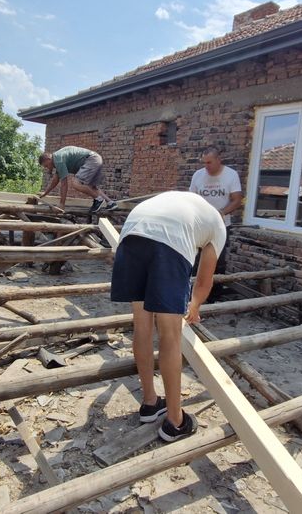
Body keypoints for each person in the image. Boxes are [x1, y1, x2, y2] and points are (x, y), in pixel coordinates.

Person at [110, 191, 226, 442]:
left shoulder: (184, 203)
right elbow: (205, 280)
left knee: (142, 326)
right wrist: (193, 306)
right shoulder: (218, 226)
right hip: (168, 241)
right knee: (170, 334)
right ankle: (175, 421)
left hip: (131, 233)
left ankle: (150, 403)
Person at [189, 146, 243, 276]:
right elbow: (191, 198)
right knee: (195, 259)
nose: (206, 166)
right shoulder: (198, 175)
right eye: (204, 162)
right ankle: (193, 291)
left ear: (219, 160)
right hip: (200, 225)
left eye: (209, 162)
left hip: (220, 225)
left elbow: (237, 200)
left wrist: (222, 213)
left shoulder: (231, 175)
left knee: (216, 260)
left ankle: (215, 293)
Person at [38, 146, 117, 212]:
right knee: (92, 187)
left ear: (48, 159)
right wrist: (45, 193)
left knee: (75, 183)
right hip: (96, 159)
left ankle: (98, 199)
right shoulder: (58, 158)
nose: (47, 168)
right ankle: (110, 203)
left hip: (91, 160)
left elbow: (64, 184)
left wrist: (62, 204)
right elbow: (55, 181)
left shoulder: (58, 160)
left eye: (46, 166)